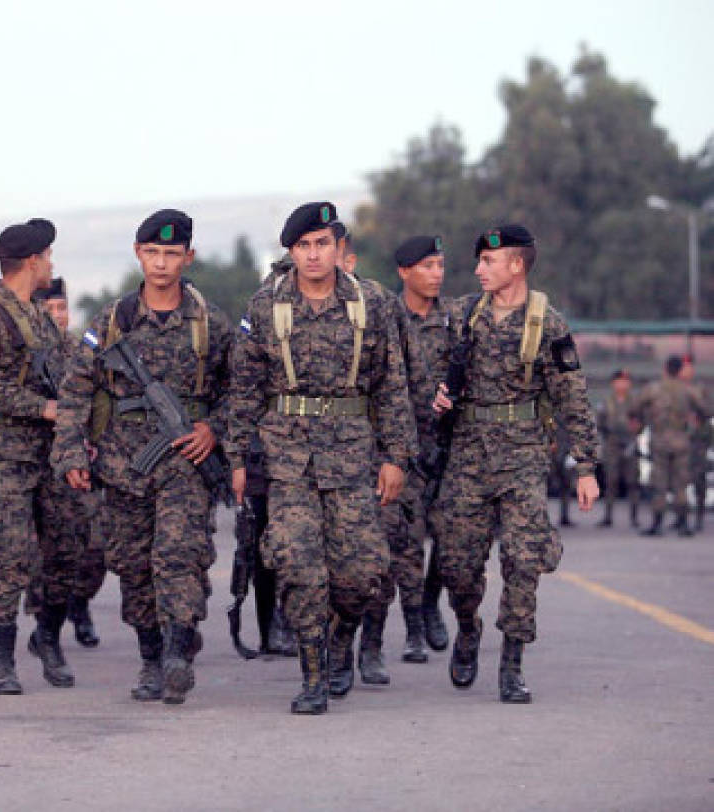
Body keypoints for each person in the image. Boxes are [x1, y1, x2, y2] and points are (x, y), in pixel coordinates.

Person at [229, 202, 412, 715]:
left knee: (362, 573)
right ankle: (313, 675)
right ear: (291, 252)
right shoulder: (265, 307)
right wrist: (238, 459)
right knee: (296, 564)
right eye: (303, 246)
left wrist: (396, 456)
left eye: (322, 244)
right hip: (288, 464)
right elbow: (245, 389)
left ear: (338, 248)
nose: (313, 255)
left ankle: (341, 639)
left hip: (353, 461)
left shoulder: (369, 303)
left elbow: (392, 386)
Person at [53, 209, 234, 705]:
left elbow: (240, 393)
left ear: (188, 257)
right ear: (138, 254)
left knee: (177, 558)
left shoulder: (209, 325)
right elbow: (76, 391)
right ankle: (151, 657)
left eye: (171, 254)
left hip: (184, 464)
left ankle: (177, 655)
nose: (161, 263)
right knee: (133, 566)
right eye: (152, 252)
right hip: (122, 466)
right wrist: (70, 451)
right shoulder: (110, 323)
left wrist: (212, 431)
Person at [431, 224, 600, 703]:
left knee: (524, 562)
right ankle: (467, 629)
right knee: (458, 566)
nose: (479, 269)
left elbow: (573, 397)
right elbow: (428, 371)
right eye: (479, 261)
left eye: (489, 261)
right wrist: (437, 397)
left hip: (524, 455)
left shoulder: (549, 324)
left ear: (517, 265)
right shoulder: (461, 315)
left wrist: (586, 465)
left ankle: (511, 662)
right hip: (467, 454)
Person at [0, 219, 83, 693]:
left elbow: (65, 374)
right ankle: (1, 660)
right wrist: (44, 407)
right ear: (32, 261)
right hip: (5, 460)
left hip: (51, 456)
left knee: (65, 550)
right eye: (48, 257)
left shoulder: (39, 317)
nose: (51, 265)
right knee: (9, 558)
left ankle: (48, 639)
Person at [361, 235, 453, 677]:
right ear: (404, 272)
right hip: (398, 450)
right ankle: (411, 630)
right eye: (427, 265)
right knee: (402, 544)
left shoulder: (455, 322)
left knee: (453, 543)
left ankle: (432, 603)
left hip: (448, 449)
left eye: (440, 265)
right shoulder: (385, 318)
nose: (436, 273)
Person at [33, 276, 104, 648]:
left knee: (94, 550)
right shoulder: (25, 353)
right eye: (49, 309)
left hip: (79, 462)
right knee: (42, 551)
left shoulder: (83, 351)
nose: (57, 316)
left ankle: (81, 602)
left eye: (62, 308)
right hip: (37, 462)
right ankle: (46, 627)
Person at [631, 355, 708, 537]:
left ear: (665, 369)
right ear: (681, 370)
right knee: (681, 483)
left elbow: (635, 408)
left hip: (659, 441)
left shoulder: (653, 389)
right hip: (681, 440)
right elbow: (705, 410)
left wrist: (643, 420)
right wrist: (696, 420)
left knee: (660, 482)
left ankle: (657, 523)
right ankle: (683, 523)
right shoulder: (688, 390)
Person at [596, 369, 640, 528]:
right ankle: (608, 516)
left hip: (630, 445)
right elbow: (599, 423)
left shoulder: (635, 402)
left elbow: (642, 420)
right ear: (613, 383)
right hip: (612, 445)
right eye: (619, 381)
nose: (622, 384)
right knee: (611, 481)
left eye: (626, 381)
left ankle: (634, 517)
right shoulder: (607, 402)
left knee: (633, 482)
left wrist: (637, 429)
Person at [678, 357, 710, 532]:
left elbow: (709, 410)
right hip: (679, 439)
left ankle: (699, 517)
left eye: (689, 369)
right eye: (683, 369)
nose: (686, 372)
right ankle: (680, 517)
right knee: (678, 481)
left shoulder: (701, 390)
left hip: (697, 441)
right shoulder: (674, 389)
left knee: (699, 480)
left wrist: (698, 416)